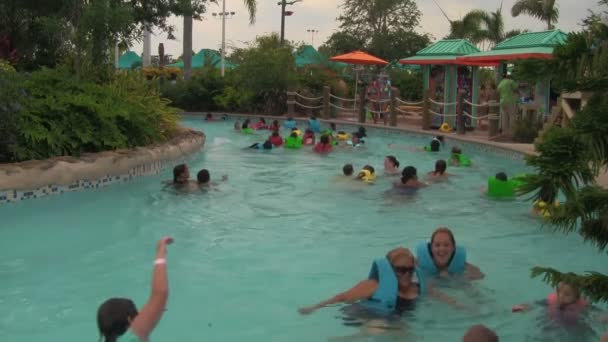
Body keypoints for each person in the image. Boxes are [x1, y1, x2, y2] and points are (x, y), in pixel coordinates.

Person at [297, 247, 466, 318]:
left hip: (391, 322)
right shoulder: (373, 285)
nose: (406, 274)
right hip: (360, 316)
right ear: (390, 270)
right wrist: (314, 307)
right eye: (400, 269)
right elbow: (342, 297)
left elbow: (438, 295)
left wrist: (461, 306)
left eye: (409, 269)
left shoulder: (417, 288)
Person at [97, 236, 173, 342]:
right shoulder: (133, 338)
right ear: (130, 321)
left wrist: (153, 309)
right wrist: (160, 251)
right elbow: (160, 293)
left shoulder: (109, 335)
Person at [416, 227, 484, 280]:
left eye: (446, 245)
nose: (442, 249)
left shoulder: (463, 266)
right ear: (431, 248)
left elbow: (480, 276)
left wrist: (453, 278)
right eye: (437, 245)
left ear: (453, 247)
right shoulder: (419, 264)